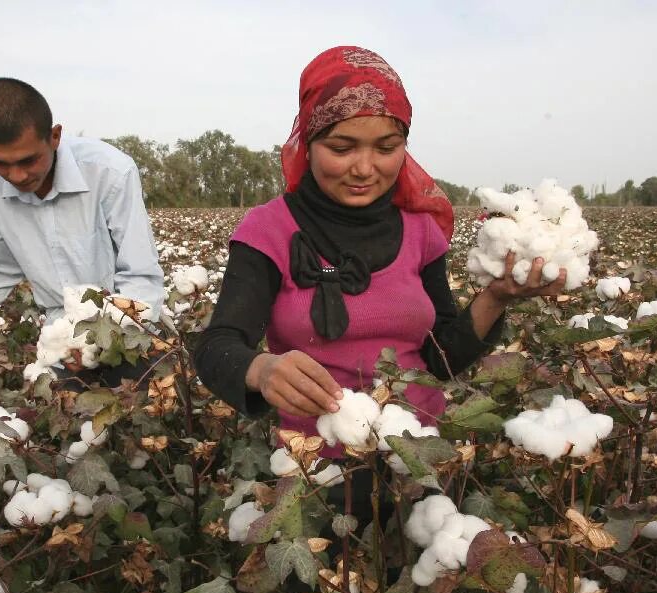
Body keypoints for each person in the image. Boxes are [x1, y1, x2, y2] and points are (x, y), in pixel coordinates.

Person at [194, 46, 566, 455]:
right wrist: (261, 369)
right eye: (341, 148)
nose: (365, 168)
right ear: (309, 143)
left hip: (419, 453)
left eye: (387, 148)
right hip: (313, 468)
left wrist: (495, 298)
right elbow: (217, 346)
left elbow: (440, 361)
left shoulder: (420, 230)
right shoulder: (268, 229)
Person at [0, 78, 165, 369]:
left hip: (130, 332)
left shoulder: (109, 172)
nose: (16, 176)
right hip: (59, 341)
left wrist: (104, 337)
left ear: (54, 136)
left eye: (28, 160)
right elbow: (3, 262)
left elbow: (140, 274)